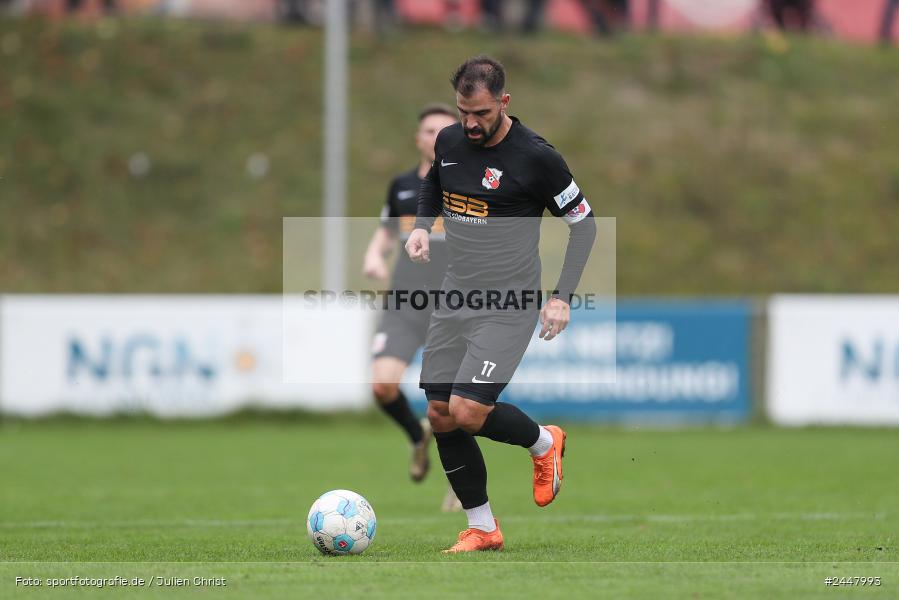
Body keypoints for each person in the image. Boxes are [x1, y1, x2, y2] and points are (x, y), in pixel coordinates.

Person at [405, 56, 596, 553]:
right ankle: (483, 527)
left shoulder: (537, 157)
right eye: (464, 112)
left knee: (469, 411)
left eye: (482, 114)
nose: (470, 124)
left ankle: (545, 443)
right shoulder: (450, 140)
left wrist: (560, 298)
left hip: (508, 302)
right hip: (454, 295)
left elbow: (584, 224)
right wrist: (423, 228)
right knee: (441, 412)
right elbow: (433, 183)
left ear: (504, 103)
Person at [362, 103, 463, 512]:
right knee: (382, 385)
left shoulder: (467, 185)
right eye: (428, 130)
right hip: (404, 301)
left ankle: (462, 481)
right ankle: (416, 436)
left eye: (444, 130)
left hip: (453, 306)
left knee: (454, 403)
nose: (435, 136)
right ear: (418, 138)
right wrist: (374, 256)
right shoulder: (402, 186)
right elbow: (386, 232)